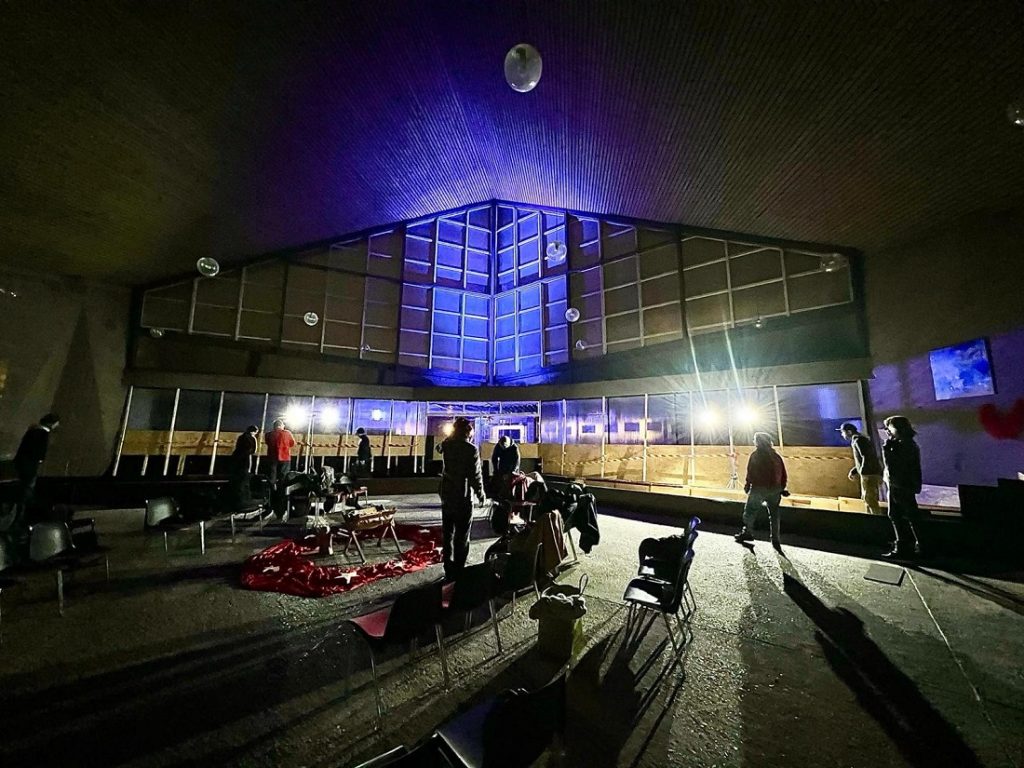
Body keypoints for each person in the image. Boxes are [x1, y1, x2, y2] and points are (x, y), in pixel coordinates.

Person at [438, 417, 486, 580]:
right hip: (463, 496)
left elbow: (441, 446)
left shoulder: (447, 445)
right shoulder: (470, 449)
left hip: (447, 494)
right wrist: (481, 494)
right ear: (468, 432)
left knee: (448, 533)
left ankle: (448, 567)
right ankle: (459, 568)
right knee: (462, 534)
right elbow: (475, 475)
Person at [7, 413, 60, 553]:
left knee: (24, 492)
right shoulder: (43, 434)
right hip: (30, 468)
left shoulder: (32, 431)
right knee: (27, 492)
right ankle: (22, 521)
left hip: (22, 467)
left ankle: (20, 519)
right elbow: (40, 454)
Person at [735, 432, 788, 549]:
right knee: (774, 514)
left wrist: (748, 485)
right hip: (775, 489)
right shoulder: (776, 456)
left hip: (759, 488)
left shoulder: (756, 455)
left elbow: (751, 472)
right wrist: (782, 487)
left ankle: (747, 532)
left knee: (750, 512)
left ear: (758, 442)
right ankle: (775, 538)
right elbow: (783, 473)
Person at [881, 415, 922, 558]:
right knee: (908, 516)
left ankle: (904, 547)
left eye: (888, 427)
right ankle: (918, 546)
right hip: (904, 485)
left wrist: (886, 451)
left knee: (897, 515)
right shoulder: (908, 443)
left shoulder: (903, 445)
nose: (887, 431)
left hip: (899, 485)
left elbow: (893, 468)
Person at [838, 422, 883, 515]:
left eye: (843, 432)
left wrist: (863, 472)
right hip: (870, 473)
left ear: (849, 432)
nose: (842, 435)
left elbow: (867, 456)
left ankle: (877, 520)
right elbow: (862, 459)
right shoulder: (859, 439)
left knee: (870, 499)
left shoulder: (859, 440)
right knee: (868, 499)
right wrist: (855, 470)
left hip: (869, 475)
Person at [228, 425, 259, 509]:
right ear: (253, 431)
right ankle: (245, 500)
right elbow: (253, 450)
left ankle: (237, 500)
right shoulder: (252, 438)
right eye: (256, 432)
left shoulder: (241, 437)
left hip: (236, 459)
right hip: (245, 460)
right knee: (244, 480)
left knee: (237, 480)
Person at [264, 419, 295, 488]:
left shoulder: (268, 434)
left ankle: (271, 491)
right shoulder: (287, 433)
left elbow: (267, 442)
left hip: (272, 457)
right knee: (283, 475)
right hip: (285, 457)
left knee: (272, 475)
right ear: (281, 425)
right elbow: (292, 443)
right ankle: (282, 491)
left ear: (274, 426)